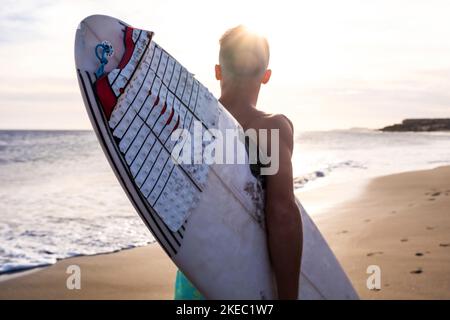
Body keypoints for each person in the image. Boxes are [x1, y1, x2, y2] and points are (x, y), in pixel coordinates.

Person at [175, 25, 303, 300]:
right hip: (248, 279)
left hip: (195, 277)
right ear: (266, 76)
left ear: (218, 71)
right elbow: (282, 213)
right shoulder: (271, 128)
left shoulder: (191, 128)